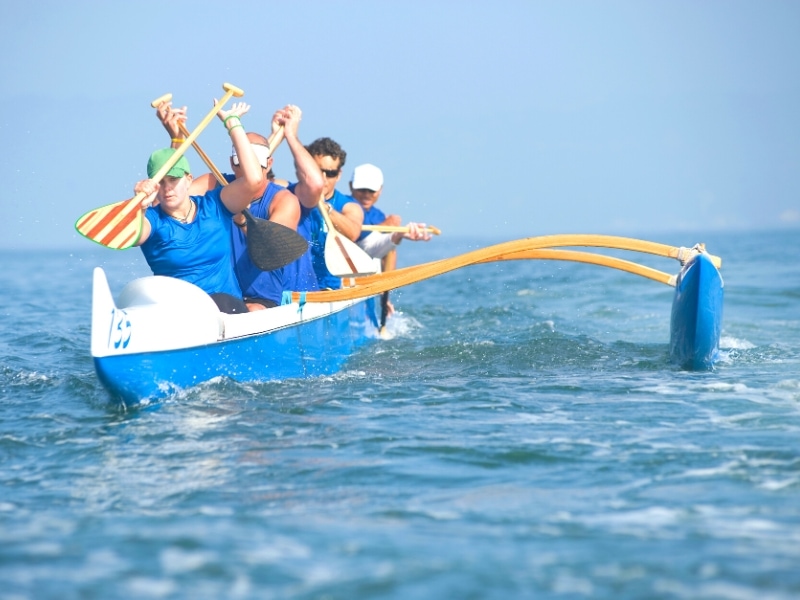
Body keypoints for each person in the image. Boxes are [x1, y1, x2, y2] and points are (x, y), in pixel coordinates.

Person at [155, 102, 323, 310]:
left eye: (255, 165)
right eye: (240, 164)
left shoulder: (283, 200)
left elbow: (273, 251)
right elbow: (167, 201)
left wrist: (243, 222)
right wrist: (176, 141)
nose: (247, 171)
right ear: (232, 162)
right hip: (221, 294)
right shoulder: (213, 183)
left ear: (268, 164)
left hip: (267, 297)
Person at [133, 101, 264, 314]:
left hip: (227, 313)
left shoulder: (215, 206)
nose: (167, 189)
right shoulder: (153, 220)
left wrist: (233, 124)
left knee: (219, 303)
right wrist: (138, 207)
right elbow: (135, 236)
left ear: (189, 180)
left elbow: (254, 180)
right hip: (180, 315)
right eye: (160, 183)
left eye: (173, 180)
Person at [349, 163, 432, 320]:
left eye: (371, 190)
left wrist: (397, 235)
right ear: (350, 186)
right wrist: (387, 227)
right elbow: (353, 240)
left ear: (380, 190)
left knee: (391, 249)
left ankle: (385, 294)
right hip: (346, 277)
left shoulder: (378, 214)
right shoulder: (346, 207)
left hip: (368, 280)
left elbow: (380, 247)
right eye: (361, 189)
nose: (366, 194)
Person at [304, 137, 365, 290]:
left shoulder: (349, 207)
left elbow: (353, 232)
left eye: (330, 173)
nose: (323, 179)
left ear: (339, 174)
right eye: (318, 171)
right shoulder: (287, 195)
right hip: (293, 287)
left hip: (329, 289)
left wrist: (326, 209)